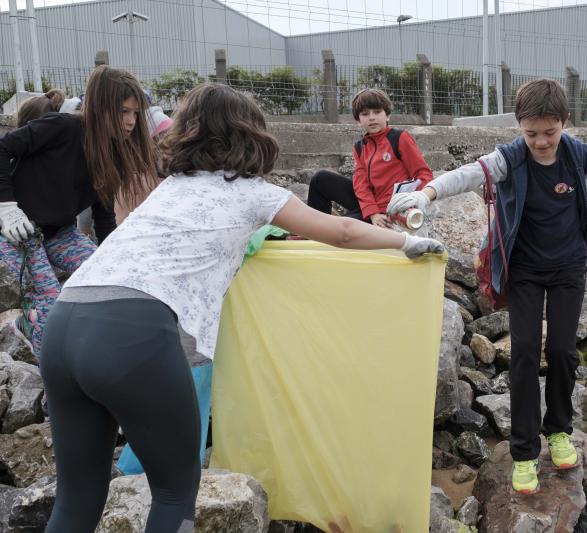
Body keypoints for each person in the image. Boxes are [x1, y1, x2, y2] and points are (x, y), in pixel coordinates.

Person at [39, 82, 444, 532]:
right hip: (132, 332)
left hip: (65, 321)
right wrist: (407, 240)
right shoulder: (252, 193)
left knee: (76, 499)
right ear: (251, 133)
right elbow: (341, 232)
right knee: (175, 493)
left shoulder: (171, 186)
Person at [388, 79, 587, 494]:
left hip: (569, 267)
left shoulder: (580, 155)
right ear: (519, 127)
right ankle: (523, 452)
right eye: (530, 133)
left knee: (561, 350)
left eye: (549, 132)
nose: (540, 141)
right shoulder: (510, 159)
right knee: (521, 353)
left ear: (564, 123)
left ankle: (558, 430)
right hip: (523, 268)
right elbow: (469, 175)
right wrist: (427, 194)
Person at [0, 66, 157, 357]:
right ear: (101, 107)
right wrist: (6, 206)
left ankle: (93, 351)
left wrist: (116, 254)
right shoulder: (63, 128)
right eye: (123, 111)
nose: (131, 121)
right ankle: (51, 381)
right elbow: (2, 148)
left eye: (135, 113)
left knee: (109, 277)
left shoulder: (111, 154)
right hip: (15, 231)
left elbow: (104, 214)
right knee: (50, 297)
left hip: (59, 233)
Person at [306, 88, 433, 228]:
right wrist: (372, 212)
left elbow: (423, 174)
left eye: (377, 112)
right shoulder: (360, 147)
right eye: (365, 114)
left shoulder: (399, 138)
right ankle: (312, 228)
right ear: (358, 120)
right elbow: (361, 184)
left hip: (392, 208)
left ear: (388, 115)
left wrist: (411, 206)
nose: (371, 117)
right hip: (370, 205)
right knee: (320, 179)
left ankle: (326, 229)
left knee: (343, 225)